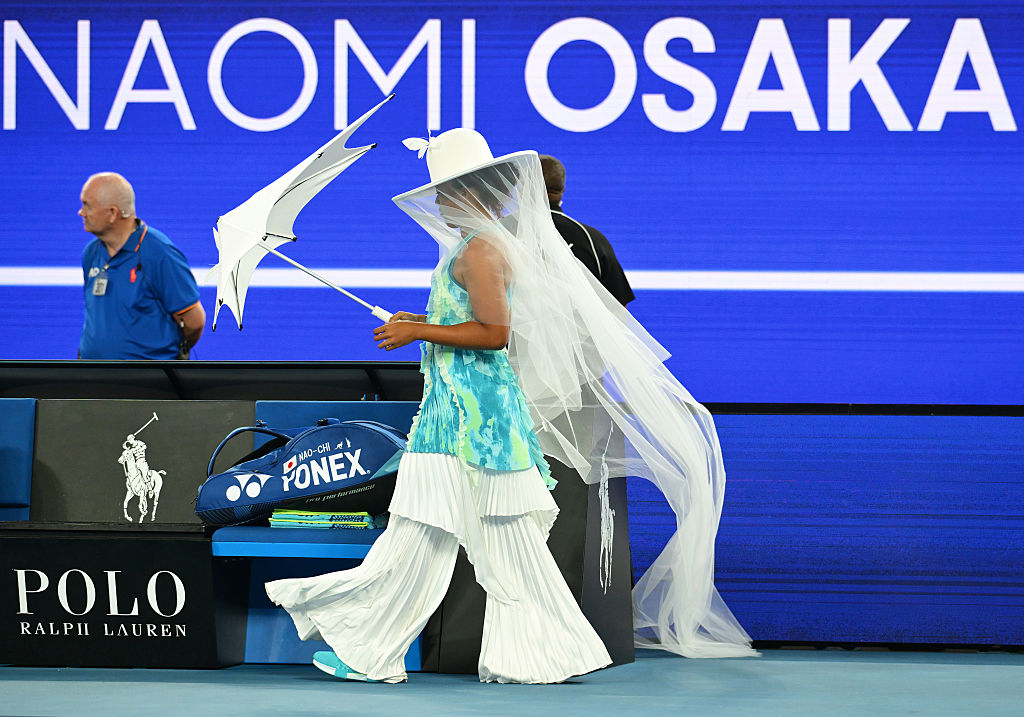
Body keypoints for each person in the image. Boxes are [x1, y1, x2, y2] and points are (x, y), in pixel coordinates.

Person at [266, 128, 755, 686]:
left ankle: (369, 647)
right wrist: (417, 324)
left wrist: (419, 330)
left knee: (426, 535)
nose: (441, 201)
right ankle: (540, 652)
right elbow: (473, 325)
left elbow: (495, 333)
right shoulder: (484, 246)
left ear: (471, 193)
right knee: (481, 540)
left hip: (469, 420)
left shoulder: (480, 250)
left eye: (448, 191)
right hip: (473, 416)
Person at [78, 172, 204, 359]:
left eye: (87, 205)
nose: (81, 212)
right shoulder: (91, 253)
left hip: (147, 382)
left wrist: (162, 358)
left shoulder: (159, 253)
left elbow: (194, 321)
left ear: (113, 213)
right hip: (93, 378)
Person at [539, 155, 635, 307]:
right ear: (563, 189)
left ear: (523, 187)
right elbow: (618, 310)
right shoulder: (593, 239)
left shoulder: (502, 234)